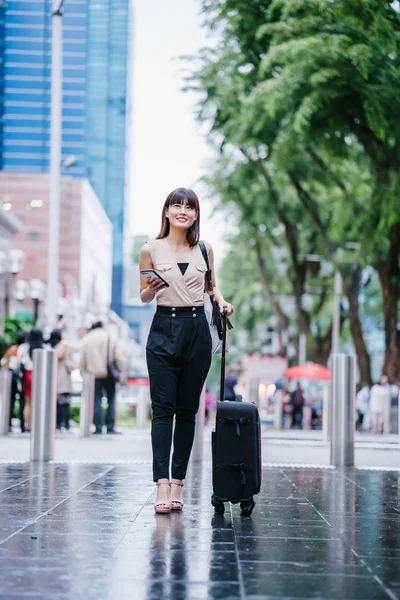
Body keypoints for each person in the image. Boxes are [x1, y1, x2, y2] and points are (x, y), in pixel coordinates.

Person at [139, 187, 234, 514]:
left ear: (195, 214)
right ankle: (161, 484)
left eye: (189, 206)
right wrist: (149, 289)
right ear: (166, 211)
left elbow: (211, 286)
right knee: (162, 409)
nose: (183, 210)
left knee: (188, 410)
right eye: (176, 205)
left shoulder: (205, 249)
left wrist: (222, 301)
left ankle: (179, 482)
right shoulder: (150, 249)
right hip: (163, 328)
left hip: (196, 331)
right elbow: (143, 296)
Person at [79, 320, 124, 435]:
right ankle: (110, 427)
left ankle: (98, 427)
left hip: (94, 373)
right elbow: (118, 357)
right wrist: (120, 370)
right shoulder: (111, 337)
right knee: (111, 399)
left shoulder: (87, 338)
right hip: (109, 373)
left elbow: (82, 358)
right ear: (103, 325)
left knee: (96, 400)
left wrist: (82, 372)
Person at [17, 328, 46, 432]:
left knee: (28, 403)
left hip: (28, 375)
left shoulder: (24, 347)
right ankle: (38, 425)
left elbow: (19, 360)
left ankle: (29, 426)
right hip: (41, 375)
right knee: (40, 402)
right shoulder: (45, 348)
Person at [49, 329, 76, 432]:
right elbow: (59, 355)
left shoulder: (52, 345)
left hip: (59, 377)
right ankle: (62, 424)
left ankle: (61, 424)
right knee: (63, 403)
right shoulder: (62, 345)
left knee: (61, 402)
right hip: (62, 377)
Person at [1, 330, 27, 432]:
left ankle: (8, 424)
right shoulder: (24, 350)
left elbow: (3, 361)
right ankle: (22, 425)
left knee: (10, 401)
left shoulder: (12, 349)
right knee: (22, 402)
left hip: (11, 378)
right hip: (21, 378)